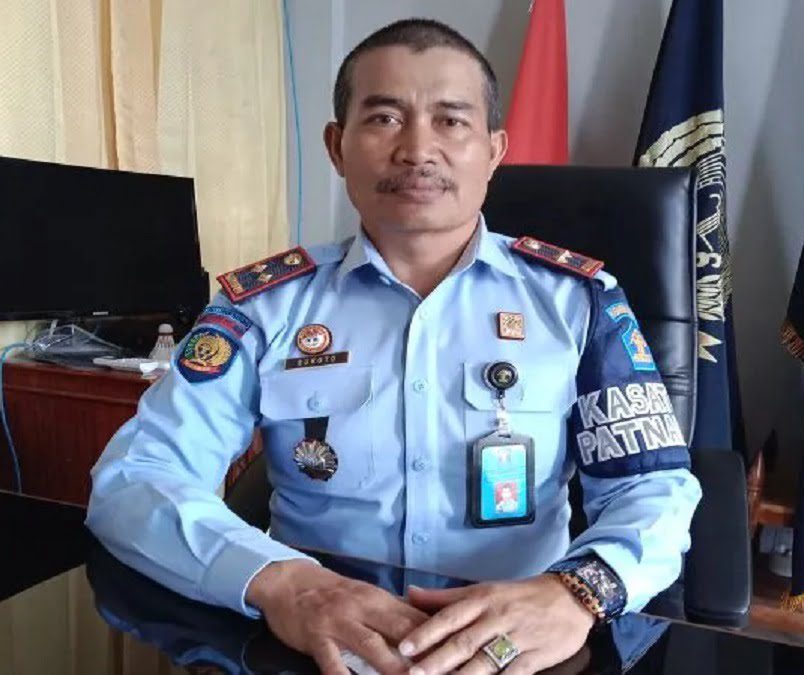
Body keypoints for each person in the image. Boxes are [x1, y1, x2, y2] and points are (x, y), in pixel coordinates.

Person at [86, 18, 701, 675]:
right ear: (337, 146)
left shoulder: (579, 301)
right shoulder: (263, 306)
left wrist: (578, 591)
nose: (417, 150)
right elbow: (135, 477)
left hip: (518, 651)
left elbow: (652, 487)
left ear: (494, 150)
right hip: (317, 644)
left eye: (451, 121)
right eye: (384, 118)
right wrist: (284, 583)